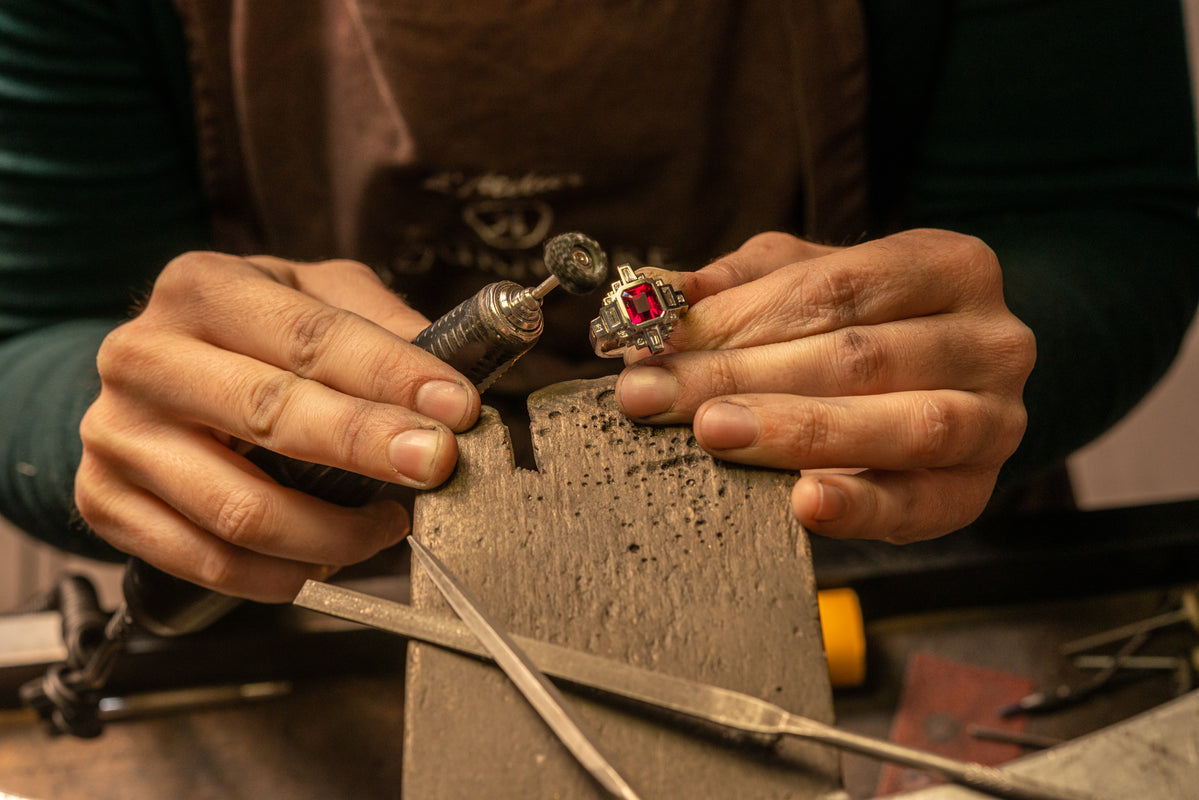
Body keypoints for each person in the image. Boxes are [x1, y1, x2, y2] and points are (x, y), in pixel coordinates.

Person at [1, 1, 1196, 603]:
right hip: (334, 596)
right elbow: (29, 331)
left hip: (882, 564)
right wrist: (149, 430)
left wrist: (956, 381)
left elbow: (1103, 220)